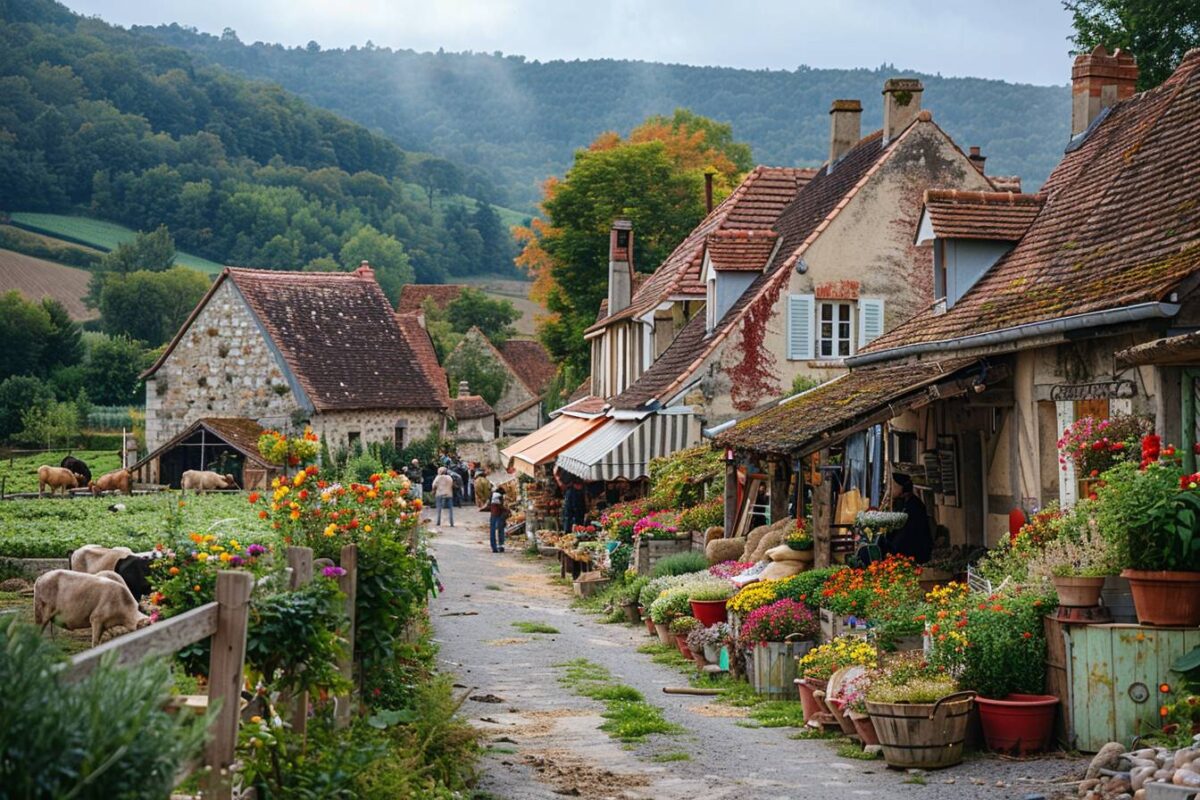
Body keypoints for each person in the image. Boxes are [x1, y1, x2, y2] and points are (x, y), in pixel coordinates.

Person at [883, 473, 933, 563]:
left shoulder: (914, 506)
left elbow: (905, 536)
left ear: (902, 488)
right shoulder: (902, 503)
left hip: (914, 554)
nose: (891, 489)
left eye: (894, 486)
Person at [488, 488, 509, 553]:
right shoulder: (497, 495)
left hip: (494, 514)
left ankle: (494, 547)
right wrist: (507, 510)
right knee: (499, 530)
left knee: (493, 530)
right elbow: (499, 506)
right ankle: (499, 546)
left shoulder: (493, 494)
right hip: (498, 514)